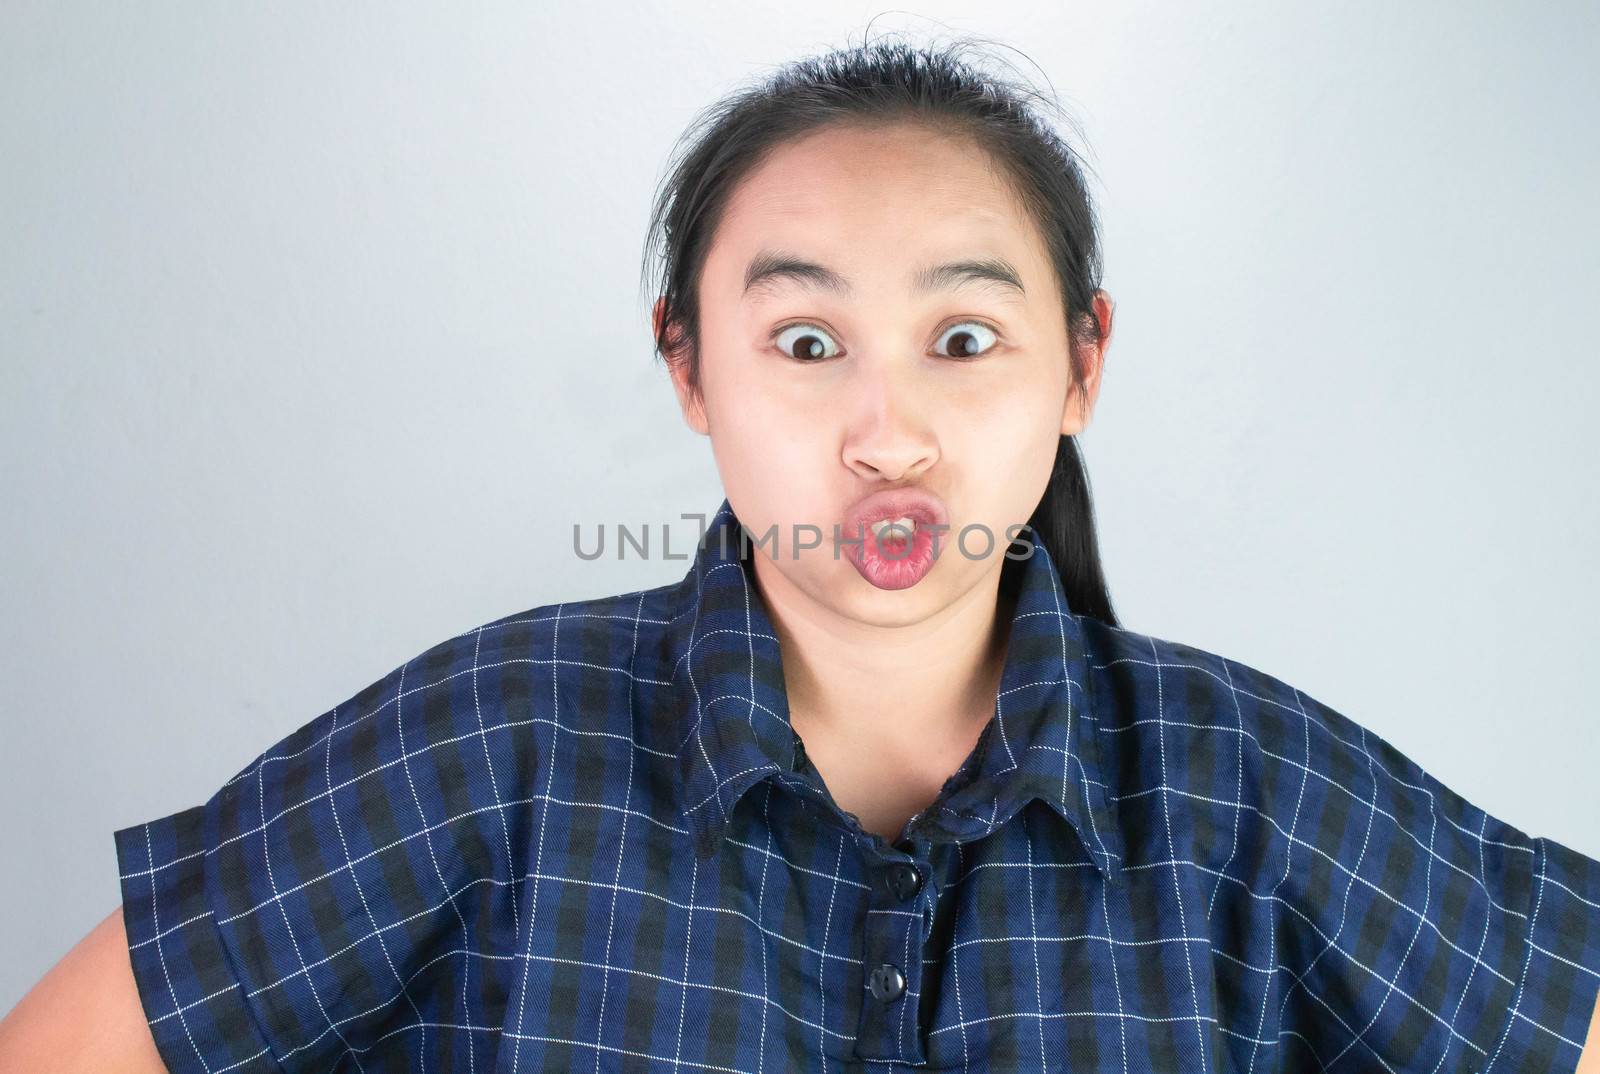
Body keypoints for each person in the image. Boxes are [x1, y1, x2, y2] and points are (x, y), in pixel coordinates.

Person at [4, 33, 1599, 1074]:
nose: (887, 432)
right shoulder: (498, 743)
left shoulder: (1240, 784)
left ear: (1081, 359)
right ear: (689, 365)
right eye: (807, 339)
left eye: (963, 335)